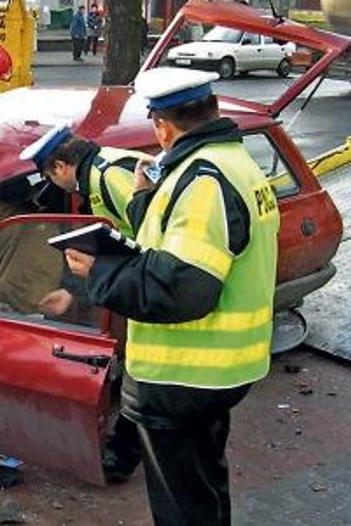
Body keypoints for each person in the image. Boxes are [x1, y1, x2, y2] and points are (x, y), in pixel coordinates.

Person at [64, 67, 280, 526]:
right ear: (214, 110)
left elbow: (180, 289)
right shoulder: (236, 166)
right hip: (222, 369)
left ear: (162, 125)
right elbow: (181, 248)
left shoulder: (202, 182)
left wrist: (99, 270)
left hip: (185, 374)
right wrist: (144, 201)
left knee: (183, 507)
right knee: (203, 487)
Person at [19, 123, 147, 483]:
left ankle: (121, 458)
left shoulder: (108, 179)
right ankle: (124, 452)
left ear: (61, 166)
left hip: (151, 290)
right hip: (141, 286)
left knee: (144, 379)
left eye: (49, 175)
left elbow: (153, 237)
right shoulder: (104, 167)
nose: (52, 184)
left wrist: (95, 284)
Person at [0, 177, 66, 316]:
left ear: (0, 201)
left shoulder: (12, 224)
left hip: (21, 310)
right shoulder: (47, 223)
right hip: (48, 305)